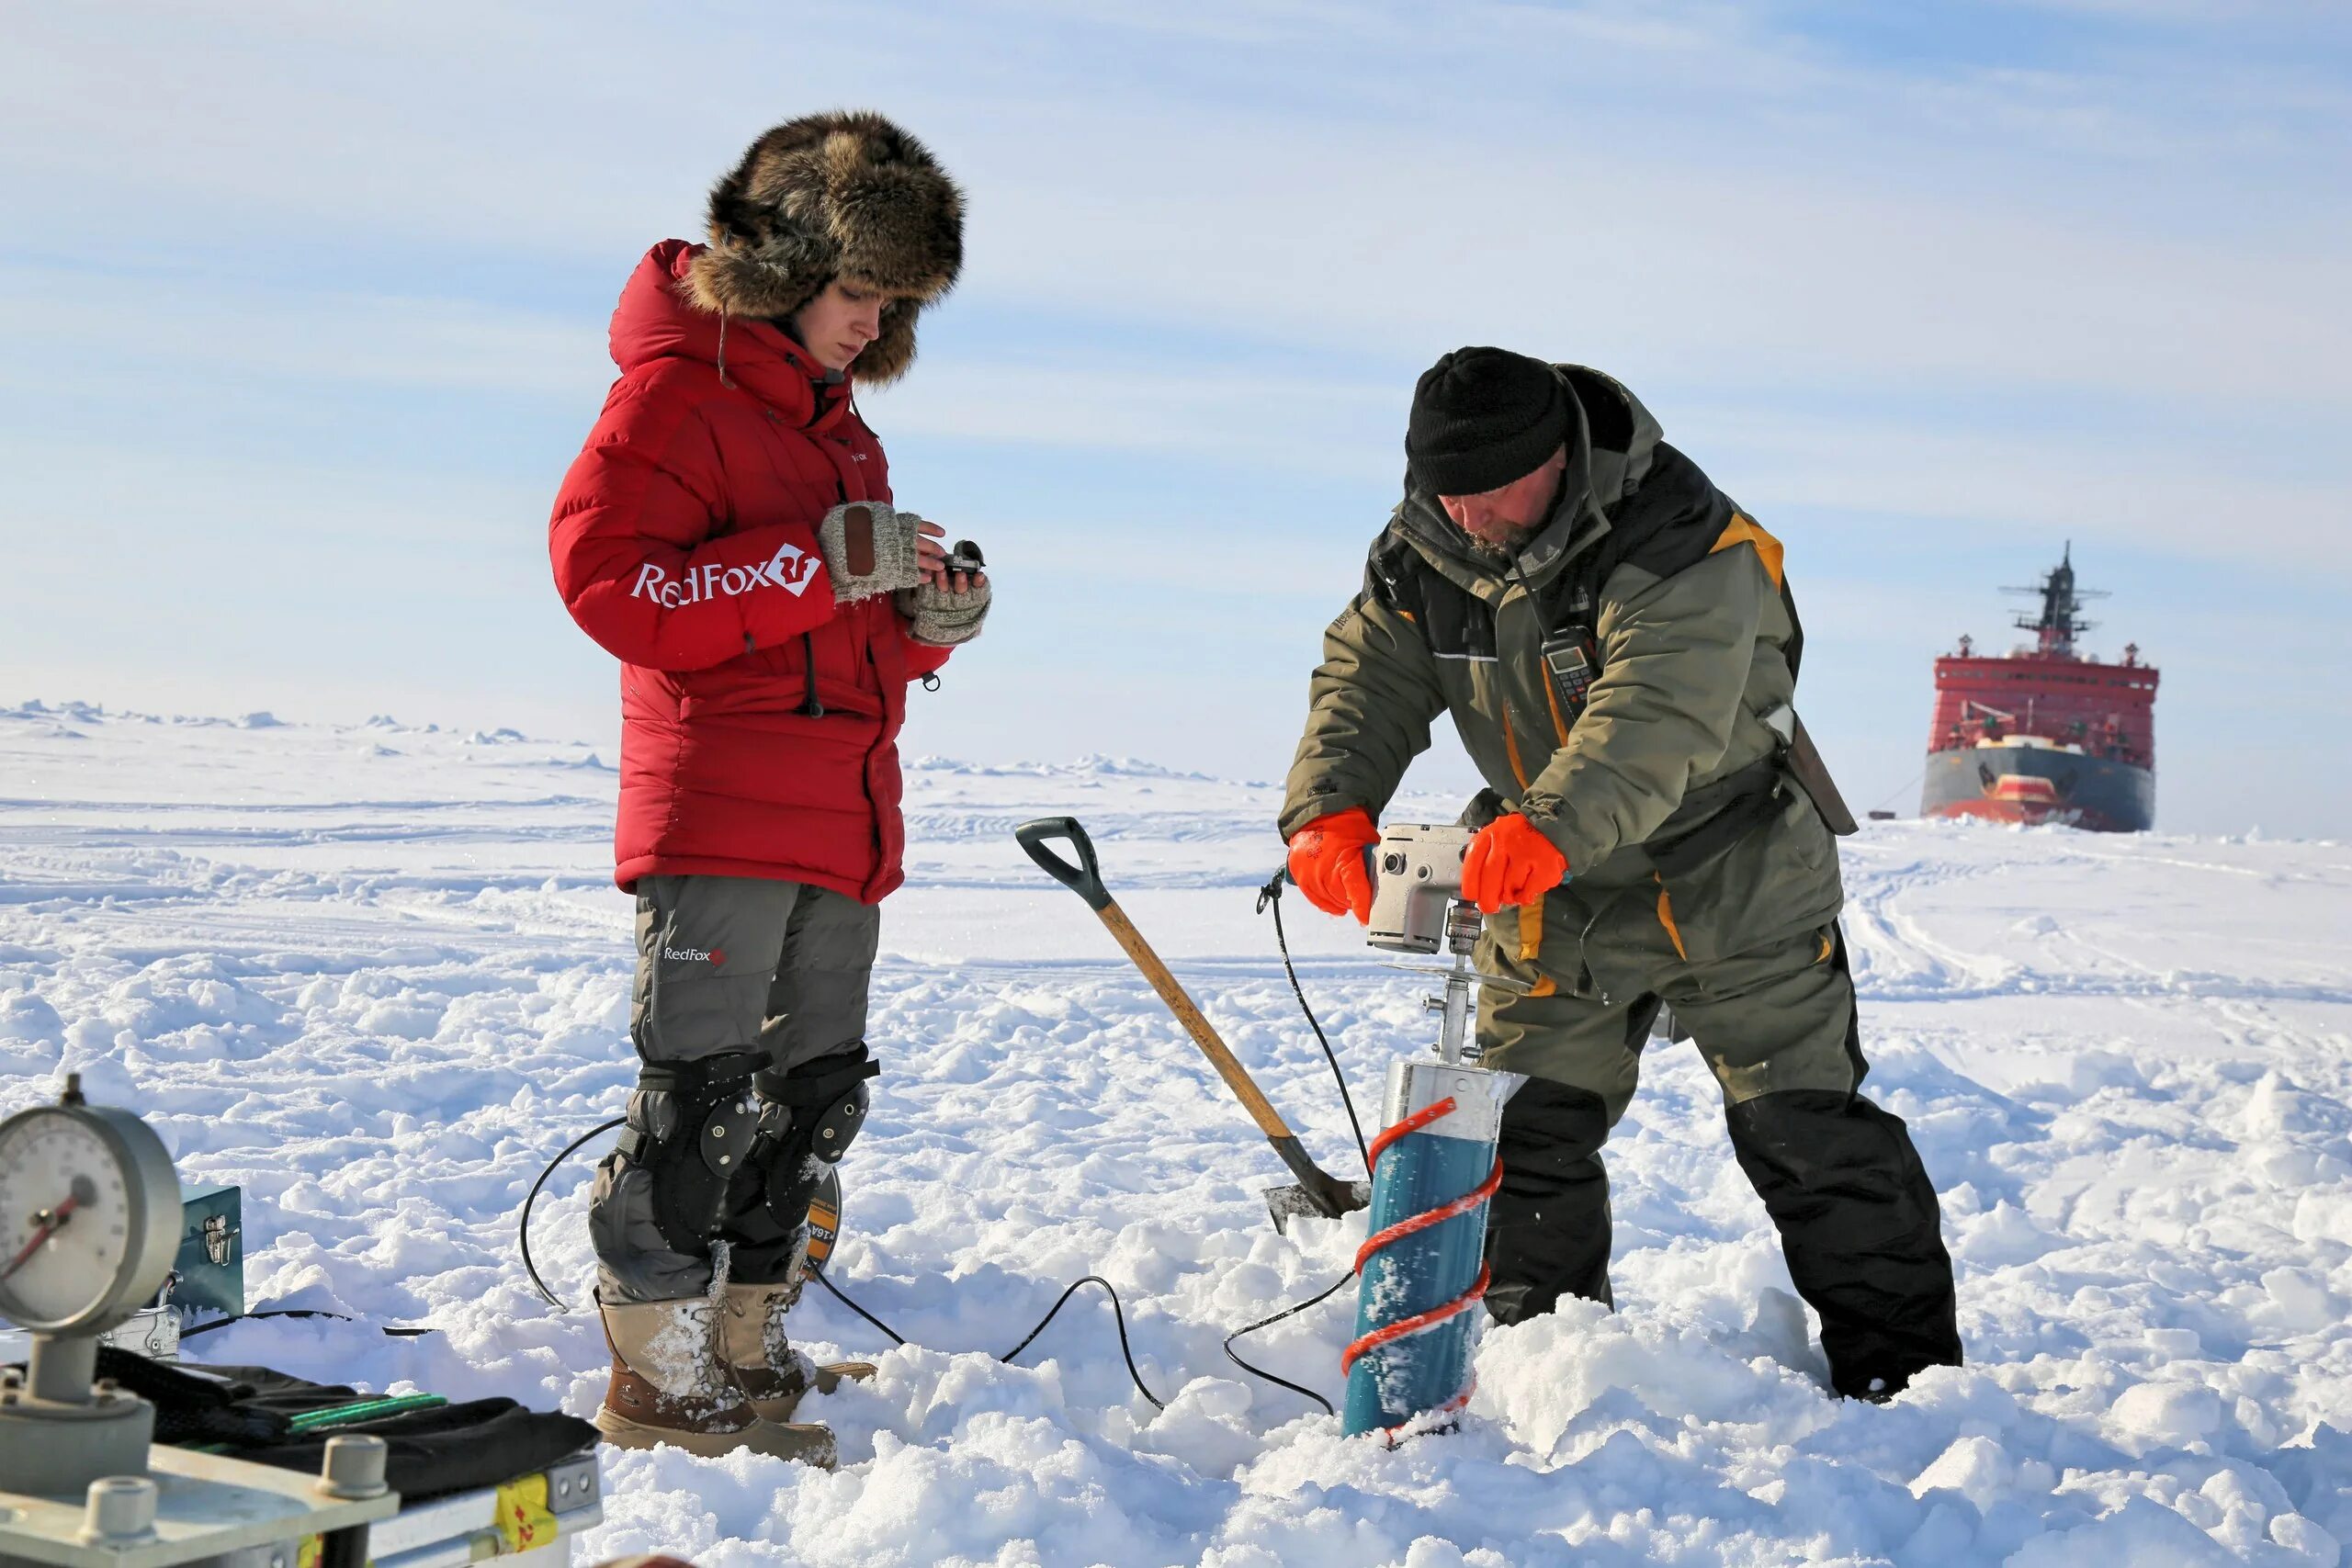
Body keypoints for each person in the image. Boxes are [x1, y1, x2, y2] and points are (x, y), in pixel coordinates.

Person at [1280, 348, 1961, 1401]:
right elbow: (1365, 679)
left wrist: (1549, 821)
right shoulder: (1425, 548)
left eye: (1486, 489)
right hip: (1549, 892)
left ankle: (1909, 1391)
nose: (1464, 516)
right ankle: (1542, 1362)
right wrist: (1326, 810)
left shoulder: (1689, 541)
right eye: (1441, 490)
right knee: (1524, 1134)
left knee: (1808, 1137)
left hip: (1731, 877)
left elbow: (1656, 715)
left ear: (1557, 457)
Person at [548, 112, 986, 1464]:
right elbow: (611, 584)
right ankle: (657, 1373)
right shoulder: (673, 395)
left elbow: (840, 636)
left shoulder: (842, 432)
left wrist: (924, 619)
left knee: (807, 1094)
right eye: (864, 289)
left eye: (895, 301)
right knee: (705, 1093)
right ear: (789, 261)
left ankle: (743, 1344)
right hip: (723, 808)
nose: (875, 323)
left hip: (841, 815)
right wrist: (813, 563)